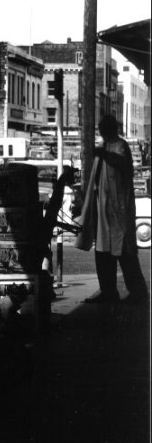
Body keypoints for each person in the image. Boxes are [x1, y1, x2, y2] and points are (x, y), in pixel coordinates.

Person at [76, 114, 148, 305]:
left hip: (118, 212)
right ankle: (108, 291)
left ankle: (138, 292)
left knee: (125, 254)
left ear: (111, 130)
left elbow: (123, 164)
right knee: (103, 254)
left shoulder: (120, 146)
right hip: (103, 211)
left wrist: (102, 154)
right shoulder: (105, 148)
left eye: (103, 130)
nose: (101, 133)